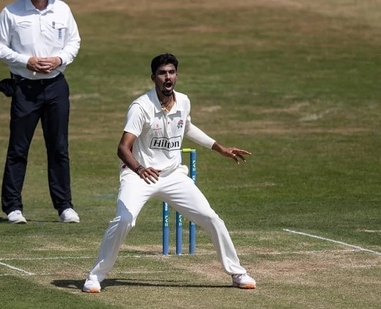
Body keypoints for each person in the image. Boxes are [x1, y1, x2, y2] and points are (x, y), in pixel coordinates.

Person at [82, 53, 256, 293]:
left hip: (173, 176)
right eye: (162, 73)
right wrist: (140, 169)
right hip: (139, 175)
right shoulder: (141, 107)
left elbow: (188, 127)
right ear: (153, 77)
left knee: (211, 218)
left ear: (176, 75)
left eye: (171, 72)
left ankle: (237, 272)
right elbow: (123, 148)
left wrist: (219, 148)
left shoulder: (183, 101)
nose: (168, 77)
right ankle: (95, 276)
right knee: (123, 220)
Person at [0, 0, 81, 224]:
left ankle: (65, 206)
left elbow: (74, 41)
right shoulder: (11, 12)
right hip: (24, 87)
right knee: (18, 148)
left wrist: (59, 59)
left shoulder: (62, 8)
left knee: (59, 148)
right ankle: (13, 207)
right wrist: (27, 61)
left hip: (56, 86)